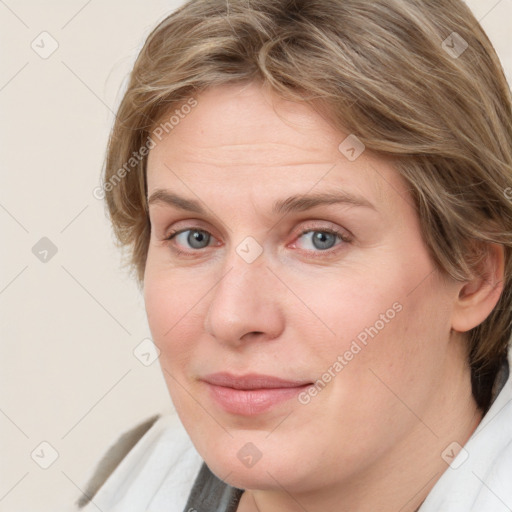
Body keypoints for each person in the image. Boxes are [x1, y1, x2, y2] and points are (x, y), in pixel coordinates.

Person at [76, 0, 512, 510]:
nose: (231, 316)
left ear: (473, 276)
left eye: (319, 238)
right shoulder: (128, 480)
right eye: (194, 236)